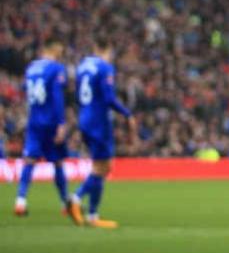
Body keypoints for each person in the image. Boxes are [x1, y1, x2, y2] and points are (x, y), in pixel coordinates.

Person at [73, 37, 137, 228]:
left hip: (84, 118)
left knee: (99, 166)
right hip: (99, 121)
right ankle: (75, 199)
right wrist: (127, 114)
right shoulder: (104, 67)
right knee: (105, 166)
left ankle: (93, 215)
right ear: (107, 49)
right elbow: (109, 98)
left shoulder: (82, 66)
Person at [14, 42, 72, 220]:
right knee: (58, 162)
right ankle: (64, 203)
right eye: (60, 50)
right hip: (50, 122)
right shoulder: (56, 68)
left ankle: (20, 200)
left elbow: (25, 89)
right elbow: (57, 97)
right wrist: (61, 123)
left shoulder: (31, 67)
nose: (62, 53)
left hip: (34, 119)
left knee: (29, 160)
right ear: (53, 49)